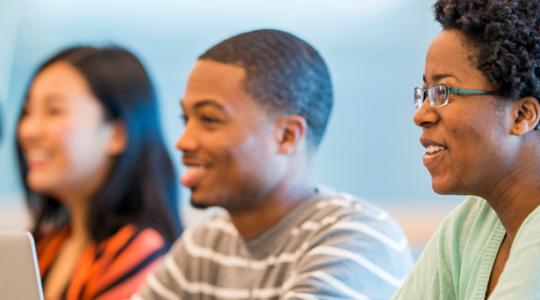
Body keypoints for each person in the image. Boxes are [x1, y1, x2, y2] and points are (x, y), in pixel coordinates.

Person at [134, 29, 413, 300]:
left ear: (286, 136)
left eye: (209, 119)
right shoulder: (206, 243)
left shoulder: (358, 237)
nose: (184, 141)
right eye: (186, 120)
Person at [394, 0, 540, 299]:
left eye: (443, 92)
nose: (421, 115)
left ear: (522, 115)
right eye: (425, 94)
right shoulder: (473, 222)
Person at [16, 46, 182, 300]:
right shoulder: (47, 245)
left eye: (53, 111)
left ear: (117, 134)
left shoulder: (137, 252)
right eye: (28, 111)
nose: (29, 130)